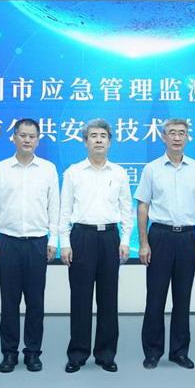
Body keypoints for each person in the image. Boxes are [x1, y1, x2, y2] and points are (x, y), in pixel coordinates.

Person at [135, 118, 195, 370]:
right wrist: (143, 243)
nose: (177, 137)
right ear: (163, 137)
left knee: (183, 297)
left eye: (181, 133)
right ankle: (152, 351)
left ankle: (179, 352)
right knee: (155, 297)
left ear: (187, 137)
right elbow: (143, 207)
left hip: (188, 237)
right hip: (160, 236)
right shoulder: (152, 169)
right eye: (172, 133)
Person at [0, 119, 59, 373]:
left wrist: (53, 240)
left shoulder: (48, 169)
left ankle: (33, 353)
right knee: (9, 302)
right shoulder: (1, 169)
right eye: (22, 135)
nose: (27, 140)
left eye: (32, 136)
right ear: (14, 138)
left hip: (38, 243)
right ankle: (9, 353)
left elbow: (54, 207)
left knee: (36, 303)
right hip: (8, 242)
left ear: (38, 140)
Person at [60, 119, 132, 373]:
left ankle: (106, 354)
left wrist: (125, 240)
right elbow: (64, 210)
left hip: (110, 238)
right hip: (82, 237)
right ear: (85, 141)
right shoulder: (73, 172)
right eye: (93, 135)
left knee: (108, 298)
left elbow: (126, 209)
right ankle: (77, 354)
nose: (98, 139)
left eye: (103, 135)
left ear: (109, 141)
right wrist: (64, 243)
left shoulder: (119, 173)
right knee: (80, 298)